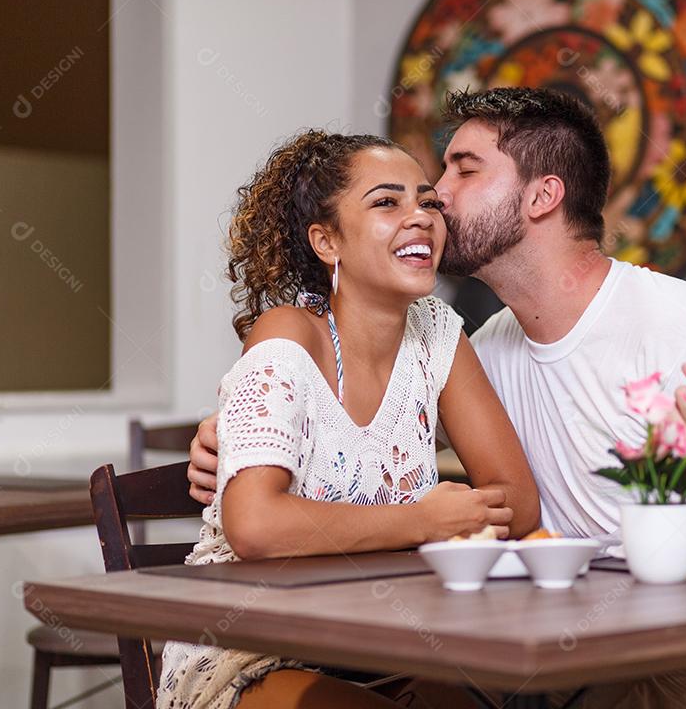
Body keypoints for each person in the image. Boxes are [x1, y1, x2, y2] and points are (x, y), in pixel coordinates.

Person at [189, 88, 686, 708]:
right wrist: (243, 422)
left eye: (461, 171)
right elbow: (348, 433)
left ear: (542, 196)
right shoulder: (486, 346)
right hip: (575, 645)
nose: (437, 197)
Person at [158, 129, 539, 709]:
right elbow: (255, 524)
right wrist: (425, 520)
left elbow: (516, 502)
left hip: (390, 644)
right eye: (387, 202)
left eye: (428, 201)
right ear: (327, 241)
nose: (421, 217)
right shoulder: (288, 332)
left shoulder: (436, 334)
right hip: (254, 647)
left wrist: (447, 517)